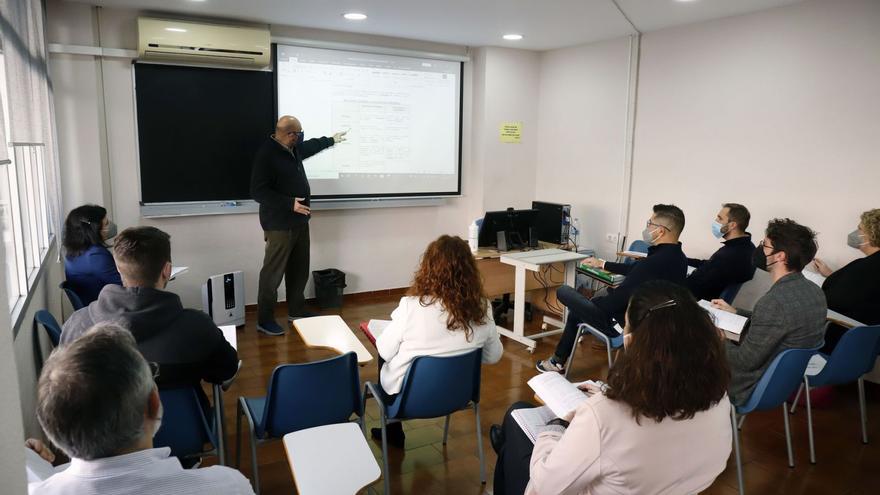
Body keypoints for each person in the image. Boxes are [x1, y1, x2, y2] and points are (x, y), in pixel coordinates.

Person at [492, 281, 732, 495]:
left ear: (632, 342)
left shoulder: (605, 415)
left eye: (625, 325)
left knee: (516, 416)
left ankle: (505, 447)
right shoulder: (718, 397)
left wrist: (556, 426)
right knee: (517, 426)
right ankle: (505, 447)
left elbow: (544, 487)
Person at [28, 323, 254, 494]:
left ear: (52, 429)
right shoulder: (228, 486)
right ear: (153, 403)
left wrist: (29, 461)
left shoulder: (35, 489)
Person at [59, 226, 238, 406]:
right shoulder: (198, 327)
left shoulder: (77, 325)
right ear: (167, 270)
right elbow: (227, 372)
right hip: (184, 431)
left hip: (105, 431)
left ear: (119, 269)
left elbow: (66, 387)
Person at [371, 235, 504, 447]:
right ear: (470, 271)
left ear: (429, 269)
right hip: (458, 396)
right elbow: (493, 356)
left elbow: (385, 352)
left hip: (408, 401)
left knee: (386, 351)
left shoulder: (411, 306)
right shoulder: (482, 307)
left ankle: (393, 429)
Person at [536, 204, 688, 374]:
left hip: (621, 325)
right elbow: (636, 270)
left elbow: (615, 302)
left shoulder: (653, 263)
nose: (646, 228)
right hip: (652, 323)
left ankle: (557, 362)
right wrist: (603, 264)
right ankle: (557, 362)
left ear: (660, 231)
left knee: (564, 291)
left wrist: (593, 302)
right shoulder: (678, 258)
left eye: (649, 224)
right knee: (578, 312)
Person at [711, 218, 827, 406]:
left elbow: (744, 361)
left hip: (749, 385)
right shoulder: (814, 292)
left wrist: (718, 338)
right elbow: (778, 324)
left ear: (780, 256)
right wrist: (735, 311)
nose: (759, 250)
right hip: (782, 383)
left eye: (764, 245)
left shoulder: (774, 302)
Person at [250, 115, 348, 336]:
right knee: (272, 275)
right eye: (299, 134)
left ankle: (296, 310)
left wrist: (331, 139)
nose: (301, 138)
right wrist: (288, 204)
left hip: (300, 222)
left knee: (299, 269)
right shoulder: (267, 154)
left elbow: (311, 147)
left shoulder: (293, 149)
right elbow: (258, 191)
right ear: (289, 134)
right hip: (279, 225)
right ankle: (264, 320)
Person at [812, 208, 880, 351]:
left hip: (836, 343)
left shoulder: (864, 268)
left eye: (860, 229)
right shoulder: (867, 268)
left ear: (871, 235)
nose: (855, 233)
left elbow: (831, 301)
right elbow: (859, 291)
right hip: (864, 347)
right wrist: (831, 275)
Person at [686, 203, 756, 301]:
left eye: (720, 218)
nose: (716, 221)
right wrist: (683, 260)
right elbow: (709, 265)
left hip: (696, 301)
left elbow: (695, 286)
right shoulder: (747, 247)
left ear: (732, 225)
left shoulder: (729, 255)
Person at [62, 204, 122, 305]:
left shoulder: (74, 252)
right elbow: (124, 285)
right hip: (105, 309)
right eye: (106, 223)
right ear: (94, 229)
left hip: (91, 308)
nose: (110, 226)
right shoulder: (95, 256)